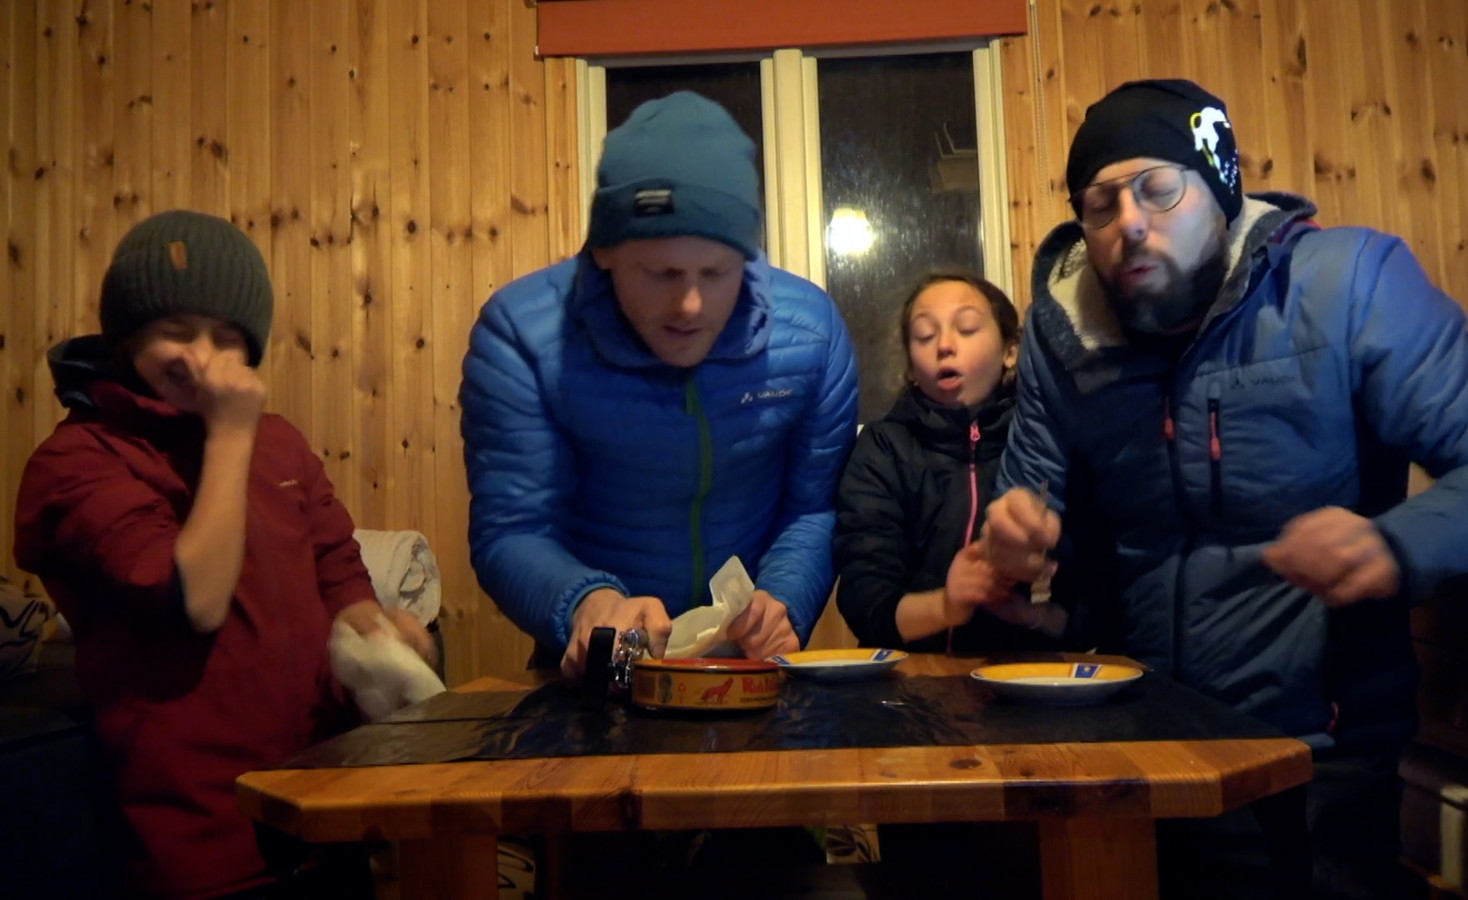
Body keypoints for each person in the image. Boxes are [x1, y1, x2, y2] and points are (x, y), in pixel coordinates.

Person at [978, 79, 1468, 899]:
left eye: (1158, 188)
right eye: (1100, 203)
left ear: (1221, 191)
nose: (1129, 222)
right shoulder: (1059, 335)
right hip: (1135, 743)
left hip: (1317, 755)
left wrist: (1392, 546)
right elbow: (1037, 515)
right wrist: (1018, 548)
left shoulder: (1347, 283)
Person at [13, 210, 435, 899]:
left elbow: (338, 571)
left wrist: (386, 636)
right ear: (127, 338)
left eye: (226, 337)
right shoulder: (75, 462)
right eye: (176, 331)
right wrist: (229, 433)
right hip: (194, 845)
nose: (202, 356)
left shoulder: (282, 445)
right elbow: (193, 601)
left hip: (324, 811)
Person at [460, 91, 858, 676]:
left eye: (717, 273)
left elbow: (814, 508)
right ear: (603, 252)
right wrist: (586, 603)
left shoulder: (813, 332)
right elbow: (514, 528)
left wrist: (784, 601)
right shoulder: (522, 335)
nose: (690, 304)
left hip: (746, 667)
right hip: (595, 666)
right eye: (661, 273)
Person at [834, 270, 1068, 652]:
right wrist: (945, 605)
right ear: (910, 366)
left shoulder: (1044, 444)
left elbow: (1092, 606)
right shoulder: (884, 448)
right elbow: (865, 599)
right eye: (924, 335)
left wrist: (1031, 615)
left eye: (967, 328)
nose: (944, 345)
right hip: (905, 688)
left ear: (1011, 350)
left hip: (1027, 686)